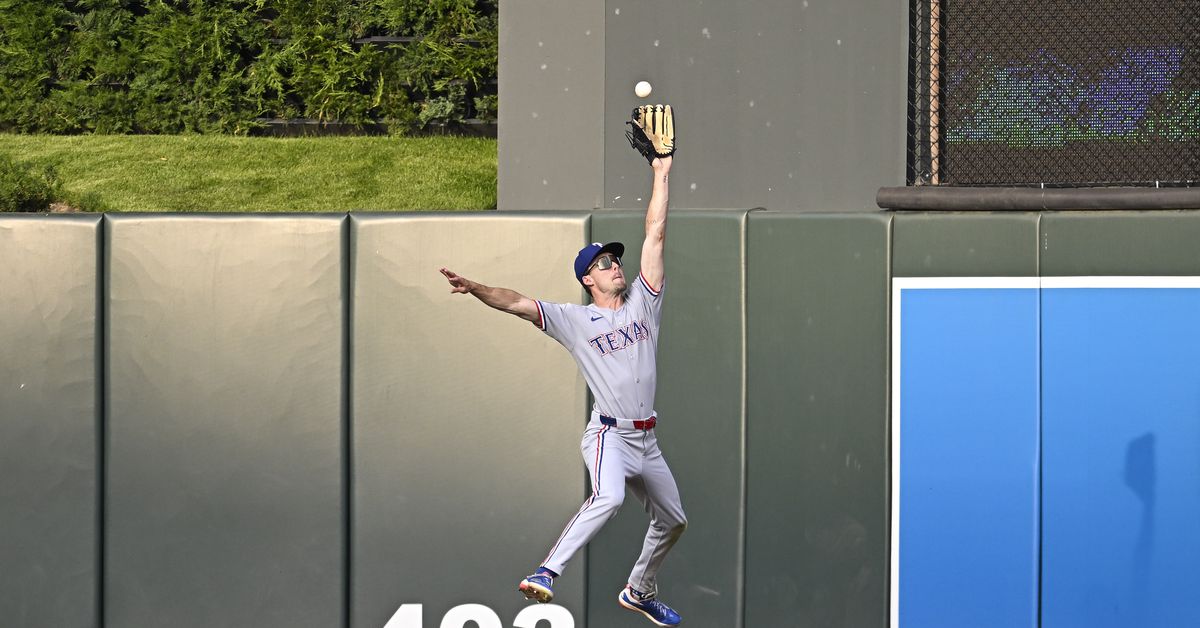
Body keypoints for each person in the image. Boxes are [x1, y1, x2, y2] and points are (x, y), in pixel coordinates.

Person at [439, 154, 685, 627]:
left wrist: (660, 172)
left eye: (616, 259)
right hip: (609, 437)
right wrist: (475, 288)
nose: (616, 265)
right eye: (604, 262)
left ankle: (639, 590)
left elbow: (655, 233)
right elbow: (515, 302)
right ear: (587, 279)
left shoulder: (643, 303)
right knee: (608, 498)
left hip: (646, 440)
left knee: (674, 520)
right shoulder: (574, 321)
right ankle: (547, 570)